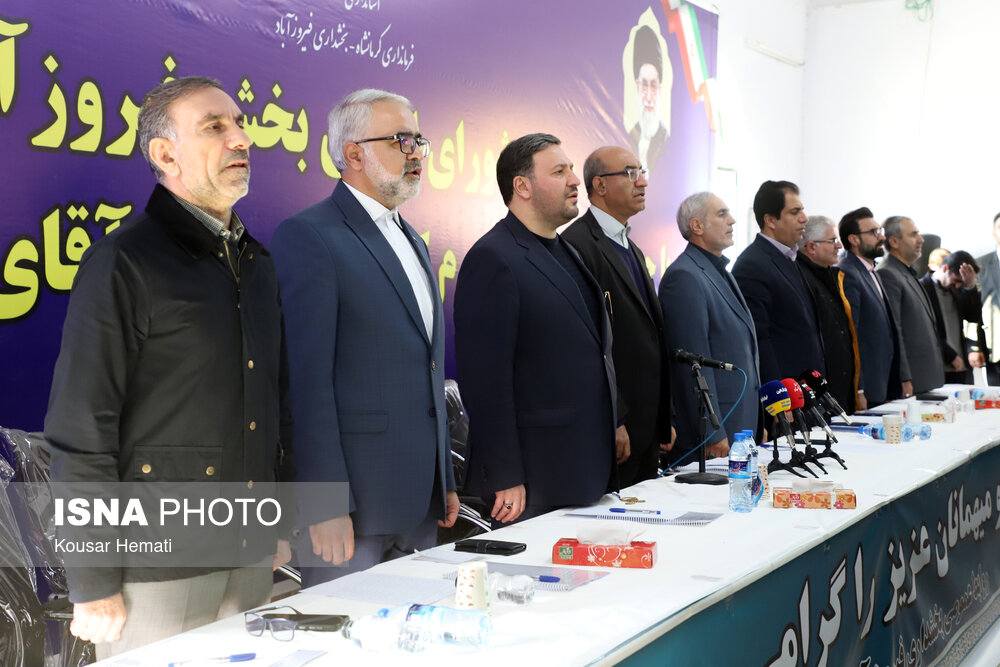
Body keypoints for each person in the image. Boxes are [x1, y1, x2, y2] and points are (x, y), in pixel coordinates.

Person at [44, 76, 295, 656]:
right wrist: (93, 580)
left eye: (239, 124)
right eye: (215, 127)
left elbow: (275, 404)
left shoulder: (257, 263)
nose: (240, 139)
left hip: (249, 554)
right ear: (165, 154)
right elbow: (81, 430)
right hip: (156, 569)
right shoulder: (125, 261)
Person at [269, 89, 458, 587]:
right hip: (353, 510)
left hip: (419, 501)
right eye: (401, 141)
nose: (416, 153)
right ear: (353, 154)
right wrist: (324, 503)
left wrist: (444, 478)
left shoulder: (412, 238)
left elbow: (426, 370)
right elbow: (305, 385)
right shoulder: (310, 236)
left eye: (418, 141)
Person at [454, 133, 617, 526]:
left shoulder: (568, 251)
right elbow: (485, 381)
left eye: (571, 169)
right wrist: (505, 474)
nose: (575, 180)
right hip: (532, 482)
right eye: (559, 172)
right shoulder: (493, 257)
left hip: (583, 469)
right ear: (522, 187)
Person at [562, 146, 673, 486]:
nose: (642, 182)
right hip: (616, 430)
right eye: (630, 173)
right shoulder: (578, 245)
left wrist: (663, 416)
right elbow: (585, 346)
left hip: (647, 428)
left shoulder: (630, 246)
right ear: (600, 185)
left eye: (642, 172)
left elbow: (649, 335)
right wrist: (614, 418)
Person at [659, 192, 761, 459]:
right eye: (722, 214)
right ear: (697, 226)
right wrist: (712, 433)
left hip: (740, 423)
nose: (732, 220)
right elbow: (692, 364)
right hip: (716, 431)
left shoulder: (720, 272)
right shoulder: (685, 276)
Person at [732, 180, 825, 385]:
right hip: (785, 393)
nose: (804, 218)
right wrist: (778, 394)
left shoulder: (789, 258)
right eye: (794, 212)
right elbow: (759, 339)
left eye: (802, 210)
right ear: (770, 220)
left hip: (807, 388)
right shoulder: (753, 264)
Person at [837, 207, 901, 407]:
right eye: (874, 232)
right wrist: (859, 388)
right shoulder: (848, 273)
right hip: (868, 387)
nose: (881, 237)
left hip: (882, 383)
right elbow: (851, 334)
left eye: (879, 230)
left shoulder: (871, 271)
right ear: (854, 239)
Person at [796, 216, 859, 412]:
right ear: (811, 247)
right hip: (819, 389)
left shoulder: (832, 275)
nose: (839, 246)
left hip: (840, 388)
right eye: (832, 241)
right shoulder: (801, 279)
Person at [877, 216, 944, 395]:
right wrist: (904, 377)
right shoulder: (887, 273)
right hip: (913, 381)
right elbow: (895, 331)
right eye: (913, 234)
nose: (921, 239)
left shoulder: (905, 271)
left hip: (926, 377)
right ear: (894, 241)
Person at [920, 250, 987, 384]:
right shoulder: (921, 288)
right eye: (956, 280)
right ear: (945, 268)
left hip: (961, 368)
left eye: (961, 283)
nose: (957, 285)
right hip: (936, 366)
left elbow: (974, 317)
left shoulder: (959, 288)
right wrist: (950, 356)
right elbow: (924, 330)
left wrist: (970, 286)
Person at [628, 25, 669, 172]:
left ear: (660, 89)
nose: (649, 97)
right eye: (645, 85)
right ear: (637, 86)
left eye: (653, 85)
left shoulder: (666, 140)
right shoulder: (630, 136)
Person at [974, 212, 1000, 384]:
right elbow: (972, 308)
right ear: (993, 233)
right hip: (994, 348)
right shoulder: (979, 265)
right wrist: (974, 347)